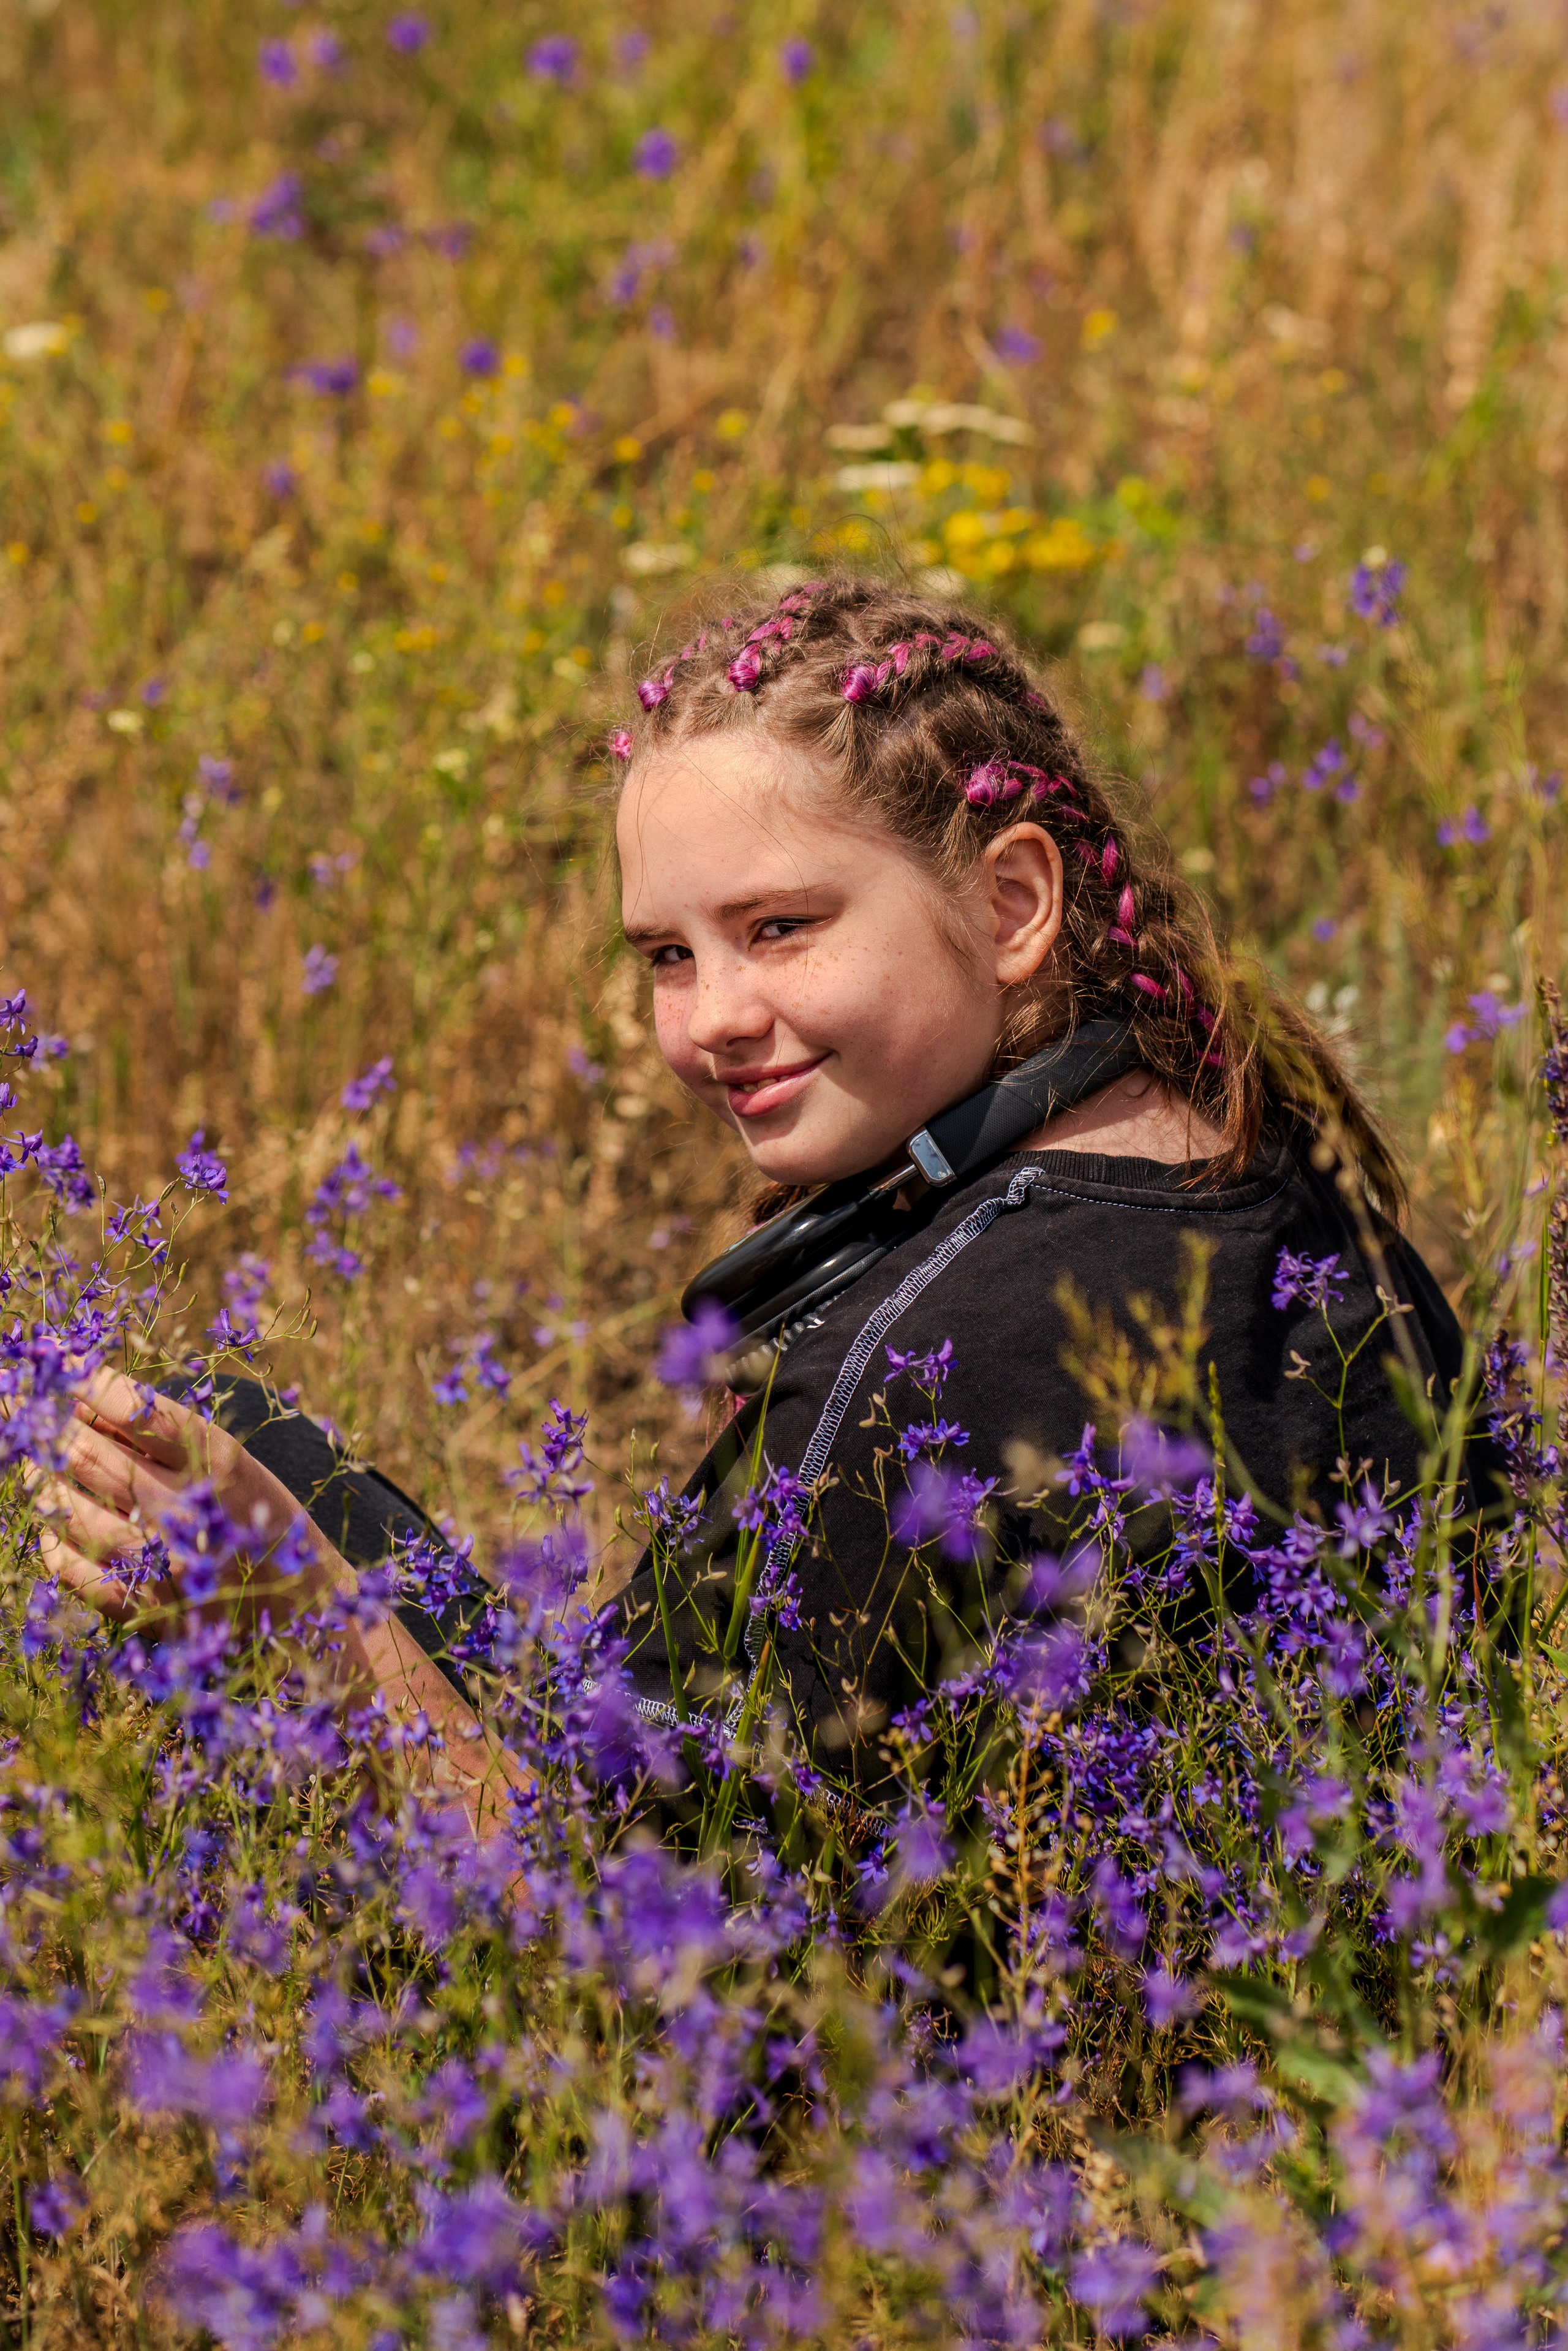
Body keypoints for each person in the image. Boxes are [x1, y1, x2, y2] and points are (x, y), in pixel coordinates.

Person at [35, 576, 1480, 1808]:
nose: (712, 1018)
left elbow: (606, 1948)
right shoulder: (1249, 1146)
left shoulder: (917, 1368)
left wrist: (295, 1615)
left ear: (1010, 904)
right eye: (668, 955)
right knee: (225, 1434)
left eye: (779, 926)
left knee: (221, 1507)